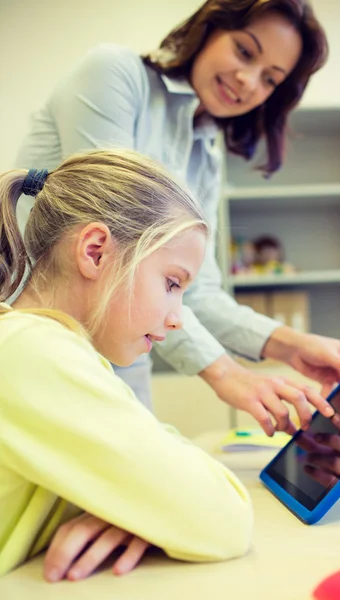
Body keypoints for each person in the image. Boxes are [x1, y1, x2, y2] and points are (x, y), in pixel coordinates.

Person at [14, 0, 340, 432]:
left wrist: (290, 345)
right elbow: (125, 259)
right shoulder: (113, 74)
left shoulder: (206, 154)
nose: (248, 80)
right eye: (244, 51)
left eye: (270, 79)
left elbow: (198, 292)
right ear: (210, 28)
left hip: (116, 355)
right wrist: (225, 373)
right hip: (36, 337)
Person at [0, 149, 262, 580]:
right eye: (172, 282)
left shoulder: (49, 349)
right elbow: (226, 520)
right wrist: (160, 507)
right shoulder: (35, 354)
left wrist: (139, 509)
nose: (177, 317)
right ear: (96, 252)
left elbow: (160, 449)